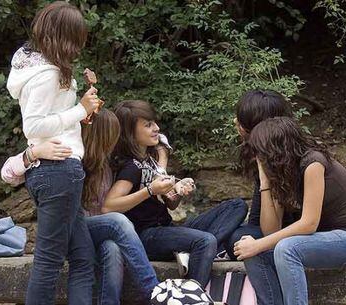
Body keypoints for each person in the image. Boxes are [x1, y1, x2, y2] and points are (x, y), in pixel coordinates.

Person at [1, 109, 163, 305]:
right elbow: (8, 173)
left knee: (111, 249)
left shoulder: (110, 164)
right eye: (113, 134)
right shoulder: (69, 155)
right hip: (68, 227)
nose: (117, 140)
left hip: (87, 233)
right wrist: (33, 153)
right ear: (103, 136)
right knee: (117, 222)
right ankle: (154, 292)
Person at [6, 2, 99, 304]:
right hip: (58, 171)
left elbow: (53, 116)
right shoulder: (47, 73)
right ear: (64, 36)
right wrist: (79, 110)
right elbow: (34, 126)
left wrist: (80, 112)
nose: (79, 45)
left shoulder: (40, 67)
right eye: (77, 36)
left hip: (56, 171)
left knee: (84, 258)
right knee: (48, 262)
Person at [104, 100, 249, 287]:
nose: (156, 128)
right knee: (205, 241)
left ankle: (189, 252)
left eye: (155, 123)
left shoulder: (149, 161)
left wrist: (179, 191)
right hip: (146, 236)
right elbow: (108, 206)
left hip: (166, 228)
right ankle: (192, 295)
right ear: (130, 133)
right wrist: (150, 190)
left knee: (237, 205)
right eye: (148, 125)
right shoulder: (131, 167)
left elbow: (170, 204)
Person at [233, 116, 346, 305]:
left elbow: (309, 224)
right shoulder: (282, 172)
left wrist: (258, 244)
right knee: (252, 252)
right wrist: (265, 182)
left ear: (276, 150)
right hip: (316, 243)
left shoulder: (313, 163)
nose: (258, 157)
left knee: (285, 248)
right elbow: (271, 231)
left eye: (262, 152)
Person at [225, 90, 297, 260]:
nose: (235, 121)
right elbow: (255, 220)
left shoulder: (281, 159)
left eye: (241, 120)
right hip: (270, 230)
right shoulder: (263, 151)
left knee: (235, 239)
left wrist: (265, 179)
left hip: (289, 235)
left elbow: (272, 230)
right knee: (235, 218)